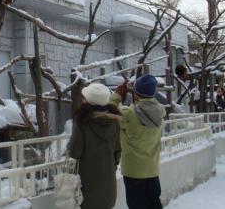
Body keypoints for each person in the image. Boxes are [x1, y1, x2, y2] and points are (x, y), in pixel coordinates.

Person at [110, 74, 166, 209]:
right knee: (154, 203)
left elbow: (109, 111)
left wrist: (117, 95)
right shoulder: (160, 111)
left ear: (136, 94)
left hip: (133, 172)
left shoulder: (129, 114)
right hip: (152, 170)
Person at [68, 83, 122, 209]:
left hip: (88, 187)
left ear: (88, 101)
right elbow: (118, 151)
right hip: (108, 186)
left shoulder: (82, 122)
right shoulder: (114, 121)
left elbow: (75, 152)